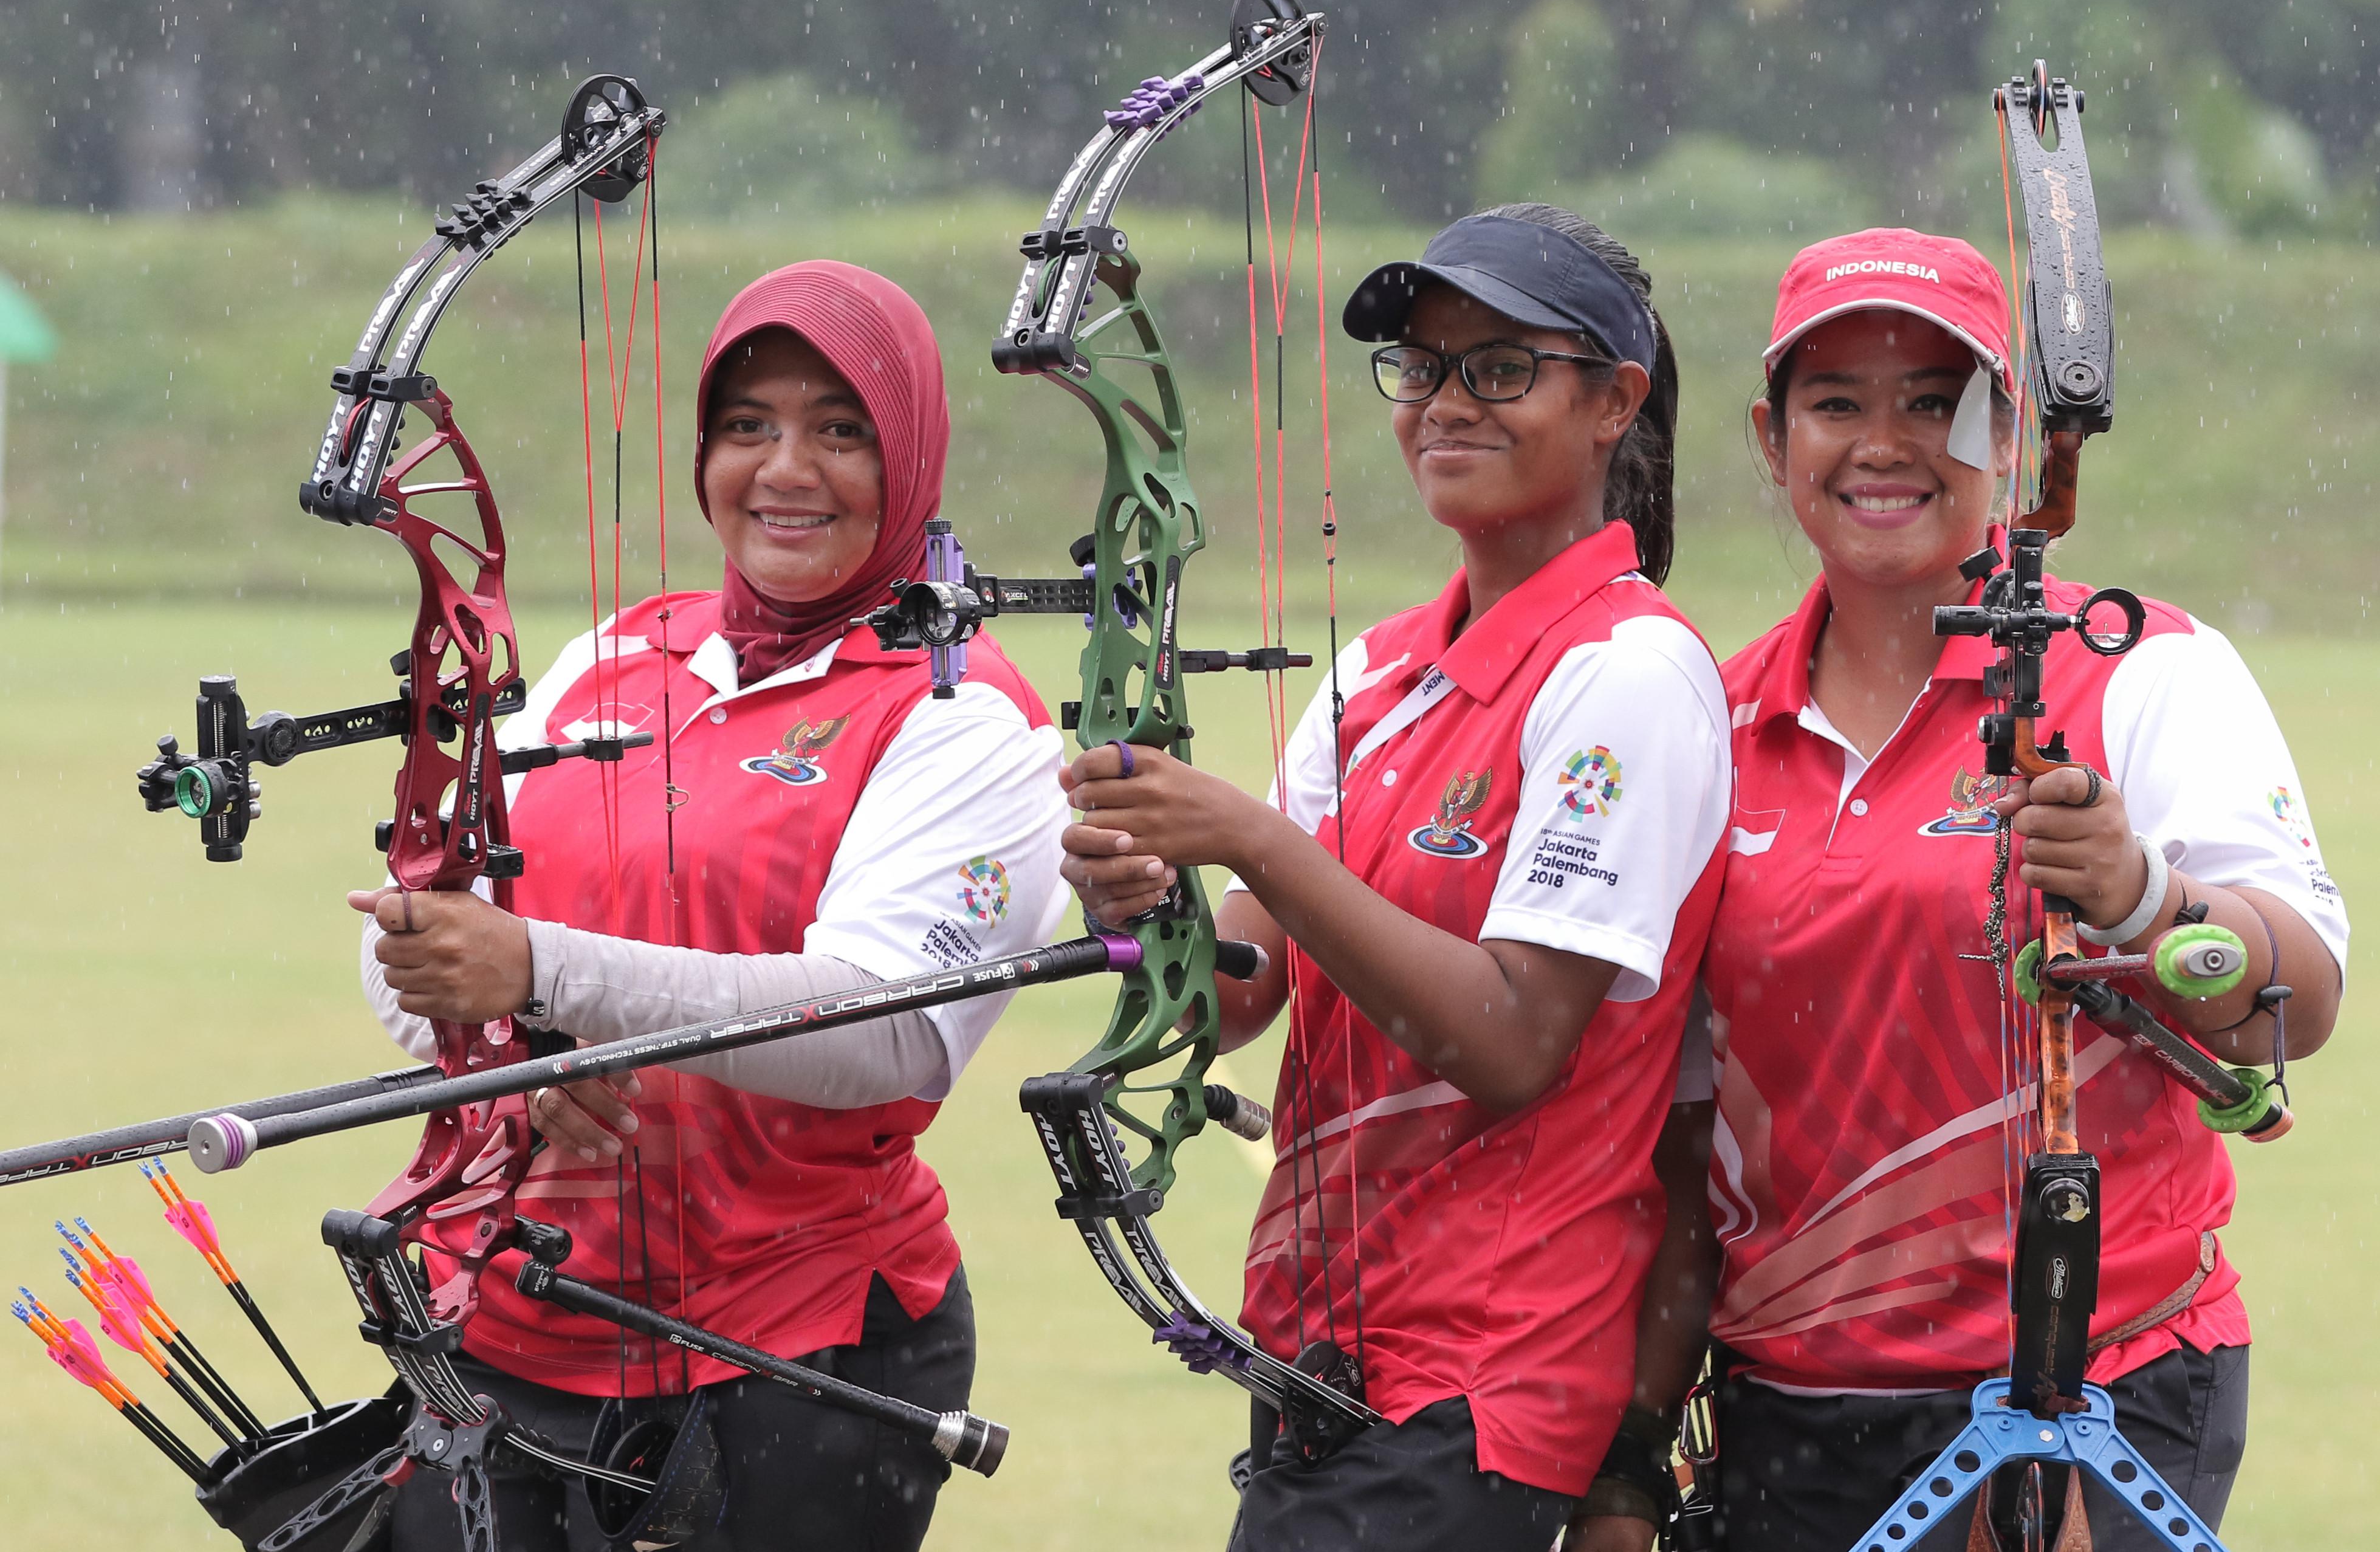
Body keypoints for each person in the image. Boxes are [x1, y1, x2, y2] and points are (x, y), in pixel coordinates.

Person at [1579, 228, 2350, 1551]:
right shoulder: (1708, 708)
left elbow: (2293, 1000)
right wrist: (1632, 1460)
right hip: (1789, 1414)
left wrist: (2140, 899)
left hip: (2092, 1396)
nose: (1885, 444)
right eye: (1837, 404)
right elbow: (1677, 1131)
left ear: (2014, 437)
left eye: (1937, 402)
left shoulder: (2142, 670)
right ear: (1771, 442)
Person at [346, 260, 1072, 1550]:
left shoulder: (964, 717)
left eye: (840, 431)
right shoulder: (610, 656)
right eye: (748, 427)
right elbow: (419, 943)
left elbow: (887, 1030)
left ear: (910, 456)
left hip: (799, 1350)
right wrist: (516, 1060)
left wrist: (545, 977)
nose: (785, 469)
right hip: (516, 1323)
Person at [1058, 205, 1734, 1551]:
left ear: (1615, 402)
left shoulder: (1628, 676)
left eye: (1499, 368)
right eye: (1421, 367)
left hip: (1486, 1377)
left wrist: (1249, 837)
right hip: (1333, 1362)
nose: (1442, 402)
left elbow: (1511, 1041)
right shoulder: (1377, 675)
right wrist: (1149, 902)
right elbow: (1238, 997)